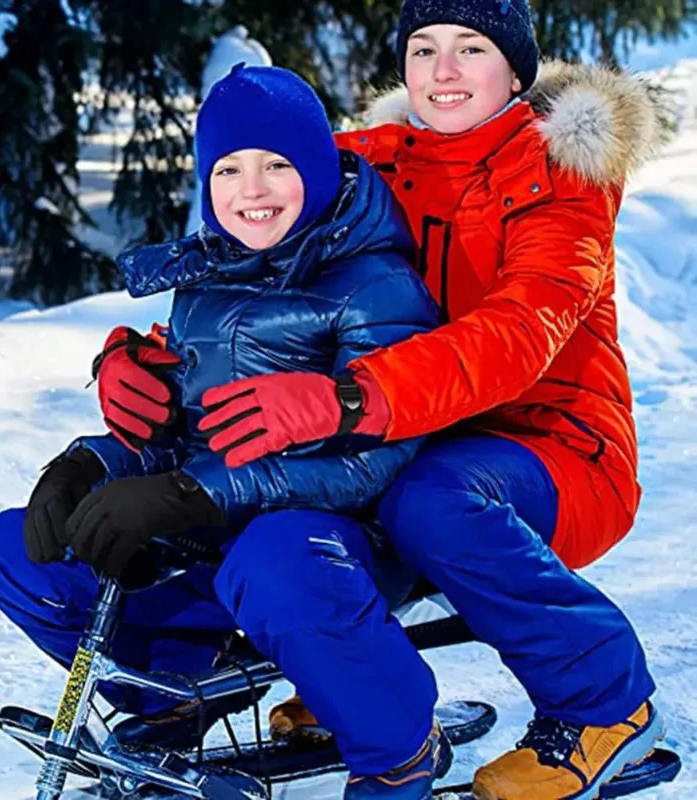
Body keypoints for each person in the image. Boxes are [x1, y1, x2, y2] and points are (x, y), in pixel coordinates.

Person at [103, 3, 672, 799]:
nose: (443, 71)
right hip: (399, 433)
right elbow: (254, 267)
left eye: (470, 49)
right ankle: (350, 687)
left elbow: (515, 335)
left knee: (425, 499)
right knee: (303, 504)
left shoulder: (561, 179)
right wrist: (143, 362)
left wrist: (346, 398)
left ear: (515, 72)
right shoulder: (367, 160)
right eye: (424, 49)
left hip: (550, 446)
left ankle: (603, 704)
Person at [0, 64, 448, 797]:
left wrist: (197, 494)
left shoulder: (375, 284)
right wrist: (90, 467)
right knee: (12, 548)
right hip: (220, 536)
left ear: (318, 168)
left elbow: (373, 462)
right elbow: (179, 433)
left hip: (333, 546)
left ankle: (400, 745)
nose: (251, 190)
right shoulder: (206, 280)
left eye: (276, 165)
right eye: (228, 169)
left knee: (273, 553)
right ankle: (181, 692)